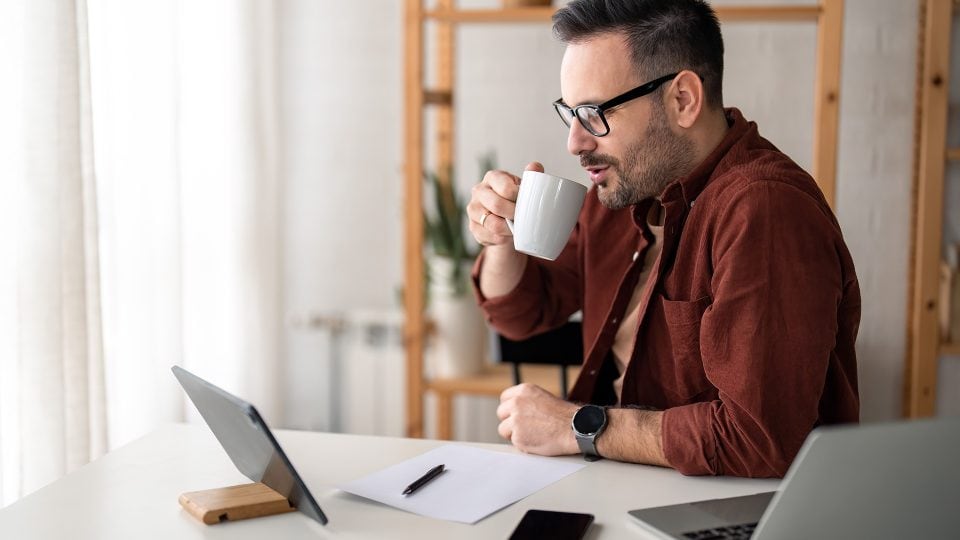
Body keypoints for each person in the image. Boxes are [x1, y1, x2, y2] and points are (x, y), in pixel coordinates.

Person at [466, 0, 860, 478]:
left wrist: (577, 426)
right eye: (570, 112)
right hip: (635, 486)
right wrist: (500, 241)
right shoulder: (622, 190)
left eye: (594, 113)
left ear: (683, 100)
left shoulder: (764, 209)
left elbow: (760, 441)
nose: (575, 142)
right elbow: (523, 313)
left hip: (733, 508)